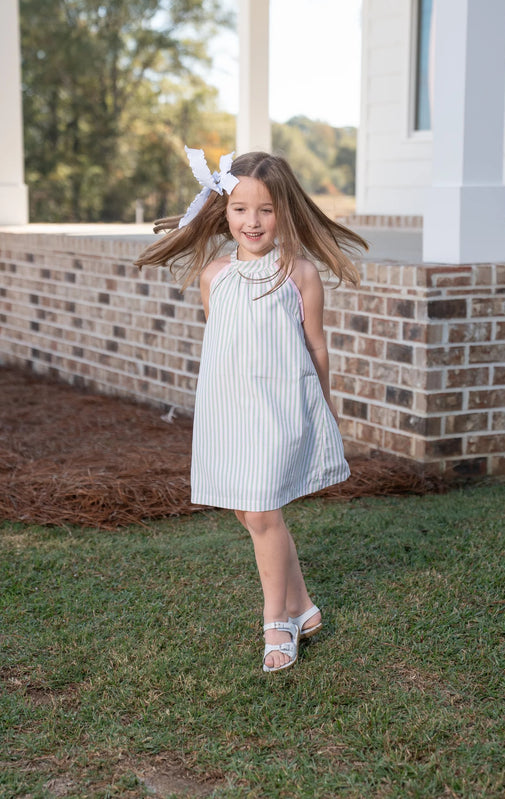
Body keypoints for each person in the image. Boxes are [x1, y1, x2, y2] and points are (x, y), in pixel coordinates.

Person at [135, 147, 367, 673]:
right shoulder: (214, 276)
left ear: (284, 211)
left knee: (261, 511)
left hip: (278, 407)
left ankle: (277, 621)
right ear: (223, 211)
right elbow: (226, 345)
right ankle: (303, 606)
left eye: (266, 209)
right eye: (240, 209)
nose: (253, 221)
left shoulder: (298, 273)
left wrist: (324, 404)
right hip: (229, 408)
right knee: (250, 511)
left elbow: (316, 345)